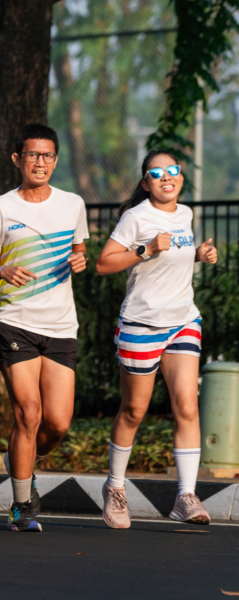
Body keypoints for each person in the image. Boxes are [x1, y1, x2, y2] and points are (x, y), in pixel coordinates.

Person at [0, 123, 89, 533]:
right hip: (15, 321)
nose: (40, 162)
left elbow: (79, 251)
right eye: (32, 155)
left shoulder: (72, 204)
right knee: (29, 412)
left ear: (55, 161)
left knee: (57, 422)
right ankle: (22, 504)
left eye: (47, 156)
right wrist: (2, 268)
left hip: (61, 324)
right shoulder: (1, 207)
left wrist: (81, 260)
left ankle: (20, 463)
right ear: (17, 159)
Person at [96, 151, 215, 528]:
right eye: (157, 173)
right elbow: (104, 263)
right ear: (146, 181)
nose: (168, 177)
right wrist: (146, 248)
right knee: (134, 410)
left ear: (181, 177)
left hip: (183, 320)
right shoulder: (136, 216)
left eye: (174, 171)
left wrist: (197, 254)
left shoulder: (185, 214)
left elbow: (173, 260)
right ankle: (115, 488)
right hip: (142, 324)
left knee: (187, 407)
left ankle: (185, 495)